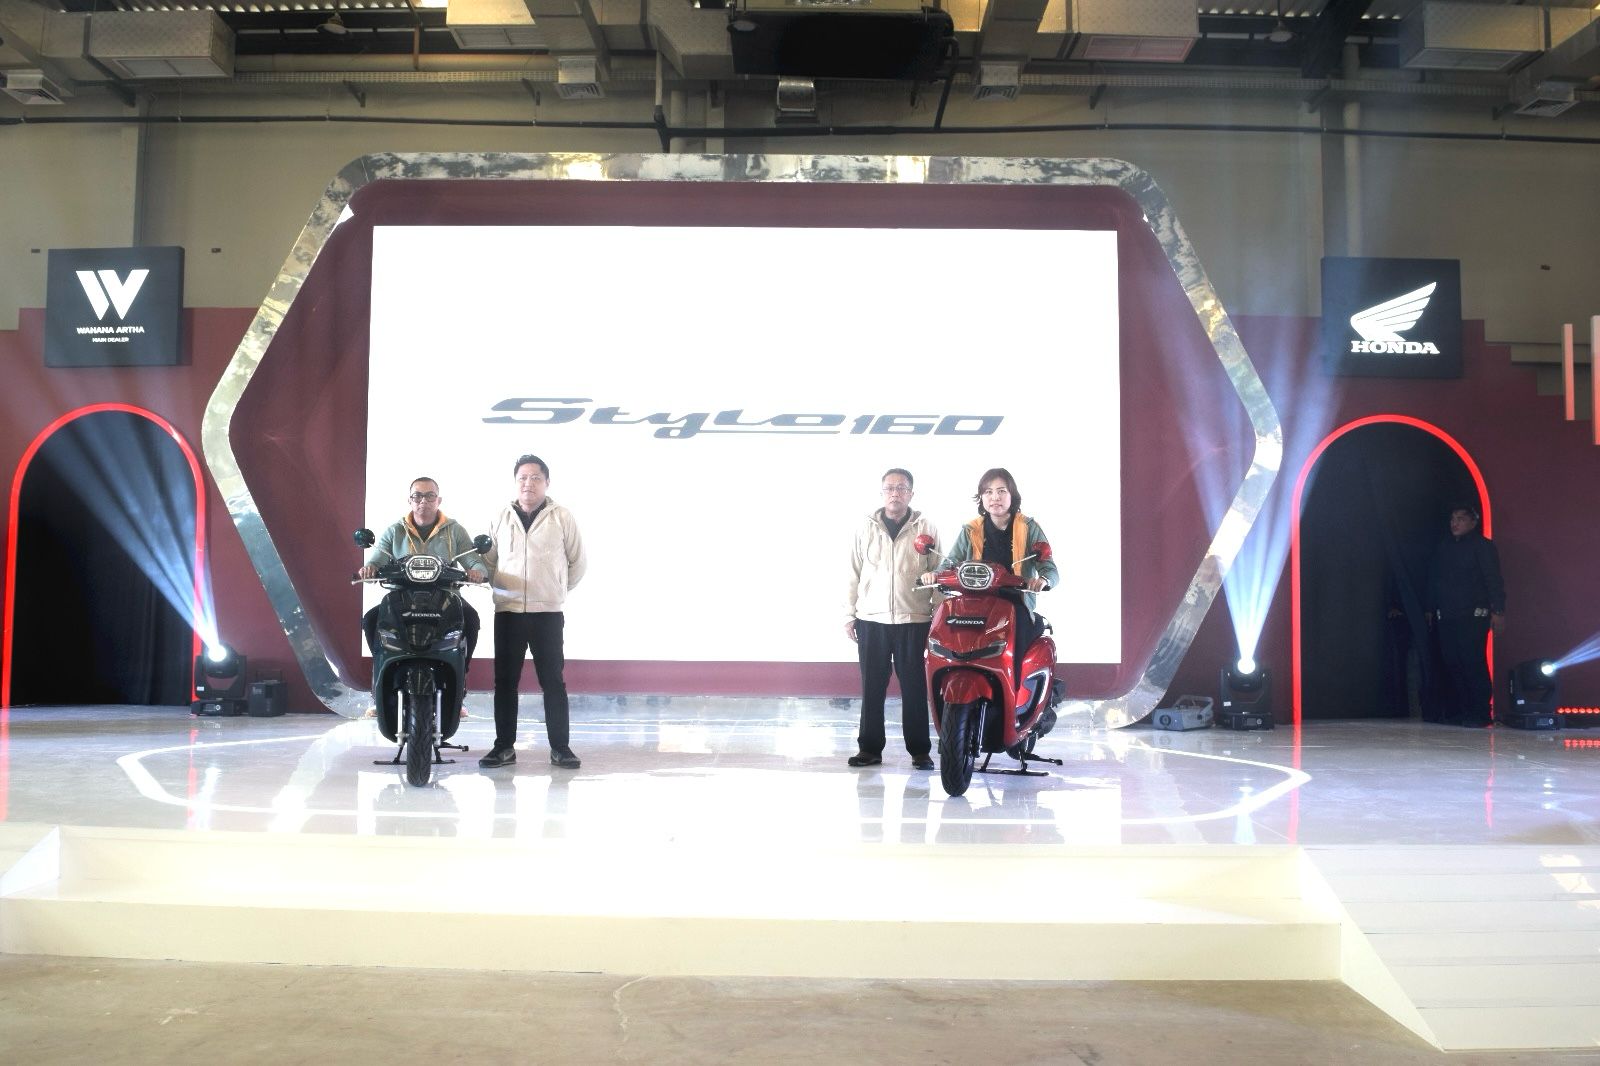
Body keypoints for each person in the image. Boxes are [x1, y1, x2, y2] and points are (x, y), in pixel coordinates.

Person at [478, 454, 587, 769]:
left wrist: (554, 590)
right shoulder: (500, 516)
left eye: (536, 477)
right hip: (508, 613)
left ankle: (561, 748)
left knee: (553, 680)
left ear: (547, 482)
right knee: (505, 682)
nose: (529, 483)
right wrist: (503, 590)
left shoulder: (562, 517)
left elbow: (578, 562)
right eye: (523, 478)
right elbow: (488, 562)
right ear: (516, 482)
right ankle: (503, 748)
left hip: (547, 614)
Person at [844, 468, 941, 771]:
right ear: (882, 493)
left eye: (901, 488)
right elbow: (853, 573)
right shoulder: (866, 528)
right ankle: (869, 749)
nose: (895, 493)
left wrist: (938, 617)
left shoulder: (926, 528)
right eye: (889, 488)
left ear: (911, 493)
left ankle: (920, 751)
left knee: (914, 688)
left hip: (914, 618)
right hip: (871, 619)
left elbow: (939, 574)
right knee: (872, 686)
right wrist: (849, 615)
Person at [923, 467, 1059, 671]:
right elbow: (950, 563)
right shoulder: (971, 530)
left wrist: (1043, 580)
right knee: (950, 640)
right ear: (981, 497)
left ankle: (1014, 689)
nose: (995, 497)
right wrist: (934, 575)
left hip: (1015, 604)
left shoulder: (1028, 527)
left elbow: (1050, 569)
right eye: (988, 492)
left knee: (1015, 649)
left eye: (1001, 491)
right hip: (974, 603)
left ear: (1012, 495)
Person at [360, 476, 487, 681]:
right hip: (401, 596)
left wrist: (477, 572)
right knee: (370, 619)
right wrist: (369, 569)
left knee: (471, 619)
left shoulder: (454, 530)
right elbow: (376, 559)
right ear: (409, 500)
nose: (423, 501)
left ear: (439, 500)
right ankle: (381, 673)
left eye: (430, 496)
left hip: (446, 596)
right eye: (417, 496)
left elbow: (474, 561)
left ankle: (461, 674)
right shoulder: (395, 530)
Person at [1426, 503, 1505, 727]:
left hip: (1473, 613)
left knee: (1472, 661)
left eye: (1460, 518)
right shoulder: (1444, 547)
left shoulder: (1482, 546)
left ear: (1473, 521)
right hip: (1447, 613)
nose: (1455, 523)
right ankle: (1462, 710)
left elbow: (1493, 579)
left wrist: (1498, 610)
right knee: (1452, 662)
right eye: (1453, 518)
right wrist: (1430, 608)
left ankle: (1480, 712)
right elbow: (1435, 579)